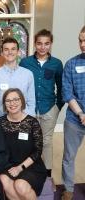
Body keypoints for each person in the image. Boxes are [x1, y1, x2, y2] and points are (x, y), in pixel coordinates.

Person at [20, 29, 64, 177]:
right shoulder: (25, 62)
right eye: (39, 43)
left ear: (51, 44)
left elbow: (62, 88)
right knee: (28, 141)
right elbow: (21, 86)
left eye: (46, 44)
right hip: (29, 109)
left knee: (46, 142)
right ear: (34, 44)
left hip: (48, 108)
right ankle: (29, 173)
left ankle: (47, 176)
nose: (42, 47)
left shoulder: (57, 64)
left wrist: (57, 107)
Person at [0, 88, 47, 200]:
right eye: (8, 100)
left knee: (20, 185)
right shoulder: (0, 122)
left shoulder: (32, 122)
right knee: (3, 180)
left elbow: (38, 151)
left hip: (30, 165)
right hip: (9, 165)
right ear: (5, 104)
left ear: (22, 101)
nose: (12, 103)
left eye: (16, 99)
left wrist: (20, 167)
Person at [61, 25, 85, 200]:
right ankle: (68, 189)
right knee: (69, 156)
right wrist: (81, 114)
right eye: (80, 40)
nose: (82, 44)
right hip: (74, 119)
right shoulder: (72, 63)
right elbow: (67, 93)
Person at [0, 37, 35, 118]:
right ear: (2, 53)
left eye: (13, 49)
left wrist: (28, 119)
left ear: (18, 52)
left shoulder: (28, 74)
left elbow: (31, 101)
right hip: (0, 119)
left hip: (23, 120)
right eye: (6, 49)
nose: (10, 52)